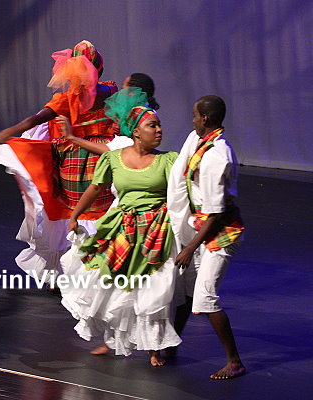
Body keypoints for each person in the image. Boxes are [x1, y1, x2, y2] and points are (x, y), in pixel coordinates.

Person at [59, 87, 181, 367]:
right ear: (136, 132)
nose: (159, 130)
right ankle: (111, 338)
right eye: (153, 125)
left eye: (159, 125)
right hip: (122, 227)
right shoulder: (113, 158)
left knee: (152, 288)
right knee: (114, 286)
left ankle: (154, 347)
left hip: (156, 231)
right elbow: (95, 187)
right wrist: (75, 214)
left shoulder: (168, 160)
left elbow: (183, 191)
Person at [0, 40, 119, 284]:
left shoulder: (67, 99)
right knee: (98, 213)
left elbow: (36, 119)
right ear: (99, 69)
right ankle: (95, 273)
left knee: (68, 214)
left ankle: (58, 272)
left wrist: (10, 131)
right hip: (102, 160)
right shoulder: (110, 92)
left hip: (75, 165)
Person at [167, 95, 246, 379]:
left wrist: (190, 247)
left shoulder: (215, 156)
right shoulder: (204, 143)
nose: (192, 120)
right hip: (204, 227)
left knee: (204, 297)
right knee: (190, 288)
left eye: (194, 115)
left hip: (220, 233)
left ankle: (234, 361)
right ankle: (170, 344)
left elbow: (215, 212)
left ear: (205, 118)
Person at [62, 73, 159, 155]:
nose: (120, 92)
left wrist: (71, 137)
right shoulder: (136, 112)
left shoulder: (141, 115)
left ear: (133, 92)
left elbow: (109, 149)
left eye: (124, 88)